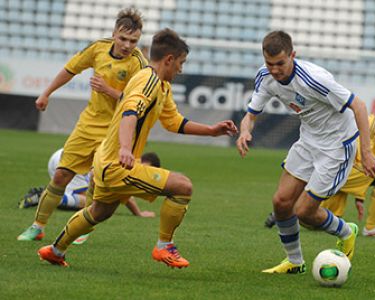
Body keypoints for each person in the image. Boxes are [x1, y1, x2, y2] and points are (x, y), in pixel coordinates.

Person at [37, 28, 238, 268]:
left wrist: (211, 130)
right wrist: (125, 149)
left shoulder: (160, 85)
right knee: (183, 187)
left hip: (105, 160)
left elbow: (173, 121)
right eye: (181, 63)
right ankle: (164, 247)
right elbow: (130, 112)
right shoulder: (149, 81)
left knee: (99, 212)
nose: (181, 69)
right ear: (169, 60)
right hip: (117, 163)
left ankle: (55, 250)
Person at [236, 31, 375, 274]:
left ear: (293, 55)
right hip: (309, 140)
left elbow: (359, 106)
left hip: (336, 145)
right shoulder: (265, 76)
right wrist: (244, 132)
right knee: (281, 202)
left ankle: (346, 231)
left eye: (280, 63)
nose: (275, 70)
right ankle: (294, 261)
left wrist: (366, 152)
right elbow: (250, 115)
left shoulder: (314, 79)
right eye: (270, 64)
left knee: (304, 212)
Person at [17, 8, 148, 241]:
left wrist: (108, 90)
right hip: (88, 124)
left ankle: (82, 229)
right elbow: (70, 69)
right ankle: (37, 226)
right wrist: (46, 93)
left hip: (116, 130)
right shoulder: (97, 48)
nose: (127, 45)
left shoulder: (139, 63)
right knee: (60, 176)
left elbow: (139, 103)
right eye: (123, 38)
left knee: (97, 181)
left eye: (133, 41)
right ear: (114, 33)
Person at [320, 88, 375, 238]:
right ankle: (371, 228)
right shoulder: (370, 124)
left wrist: (359, 198)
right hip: (341, 168)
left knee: (322, 219)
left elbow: (368, 164)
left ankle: (288, 213)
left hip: (351, 172)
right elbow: (361, 155)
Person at [19, 149, 158, 218]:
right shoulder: (129, 161)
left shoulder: (128, 152)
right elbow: (125, 195)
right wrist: (139, 213)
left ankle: (52, 195)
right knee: (93, 205)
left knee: (91, 198)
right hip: (76, 161)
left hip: (63, 155)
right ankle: (44, 195)